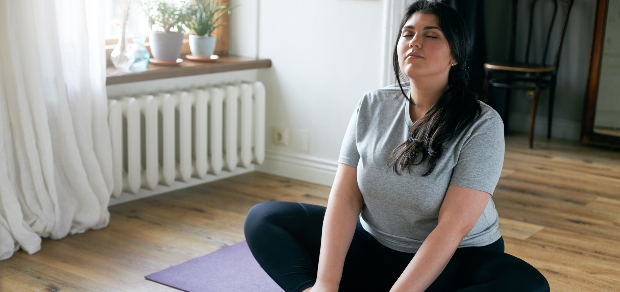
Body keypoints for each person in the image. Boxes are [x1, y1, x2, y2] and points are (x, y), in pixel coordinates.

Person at [244, 1, 550, 291]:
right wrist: (326, 283)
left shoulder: (482, 123)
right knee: (265, 219)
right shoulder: (372, 104)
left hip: (451, 260)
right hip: (375, 247)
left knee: (528, 285)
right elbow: (346, 198)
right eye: (408, 33)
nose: (415, 42)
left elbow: (451, 229)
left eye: (431, 35)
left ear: (455, 55)